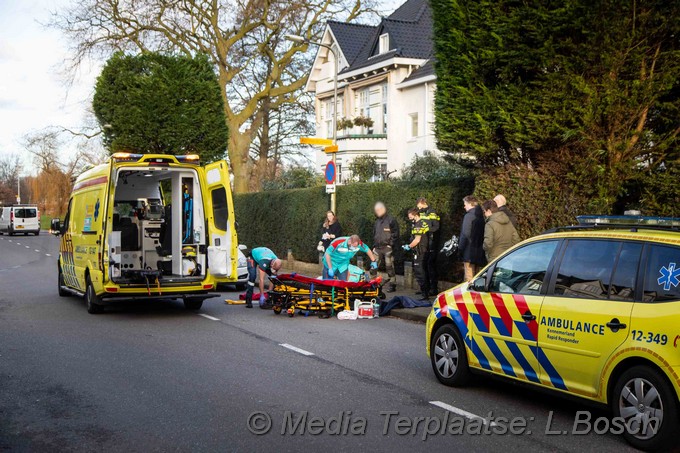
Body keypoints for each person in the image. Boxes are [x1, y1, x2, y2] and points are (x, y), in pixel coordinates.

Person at [403, 208, 431, 301]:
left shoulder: (418, 225)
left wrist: (409, 246)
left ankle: (424, 294)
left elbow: (417, 240)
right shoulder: (421, 223)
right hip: (423, 250)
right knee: (424, 271)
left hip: (420, 251)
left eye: (410, 215)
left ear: (415, 214)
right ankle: (425, 291)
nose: (409, 217)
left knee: (420, 272)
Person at [372, 202, 400, 292]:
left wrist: (390, 244)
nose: (378, 211)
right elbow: (374, 234)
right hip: (377, 248)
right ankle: (373, 284)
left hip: (387, 247)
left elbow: (395, 233)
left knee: (389, 267)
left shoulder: (391, 220)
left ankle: (392, 284)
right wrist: (374, 246)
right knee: (373, 266)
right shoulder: (377, 221)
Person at [459, 196, 486, 281]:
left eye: (465, 204)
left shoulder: (468, 216)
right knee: (477, 278)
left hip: (469, 251)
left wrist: (460, 249)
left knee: (468, 278)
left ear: (470, 204)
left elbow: (465, 234)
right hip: (479, 251)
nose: (464, 207)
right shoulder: (482, 216)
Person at [417, 197, 440, 295]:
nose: (417, 207)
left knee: (430, 266)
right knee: (424, 266)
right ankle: (425, 288)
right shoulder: (422, 213)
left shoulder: (432, 212)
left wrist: (427, 229)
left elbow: (436, 227)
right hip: (423, 243)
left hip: (431, 243)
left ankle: (433, 289)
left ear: (422, 203)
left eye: (418, 204)